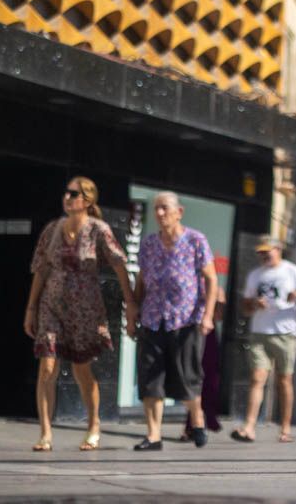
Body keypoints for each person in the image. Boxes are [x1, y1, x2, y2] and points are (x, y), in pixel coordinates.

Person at [23, 176, 136, 452]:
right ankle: (46, 433)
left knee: (81, 369)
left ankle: (93, 425)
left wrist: (130, 303)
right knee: (47, 366)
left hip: (85, 310)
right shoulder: (52, 229)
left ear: (87, 200)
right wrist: (31, 307)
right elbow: (41, 269)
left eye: (73, 193)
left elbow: (120, 264)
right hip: (52, 305)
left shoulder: (98, 229)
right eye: (65, 192)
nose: (67, 197)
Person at [131, 191, 218, 451]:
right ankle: (154, 436)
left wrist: (208, 315)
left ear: (178, 212)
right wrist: (133, 310)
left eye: (164, 208)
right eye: (156, 208)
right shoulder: (148, 244)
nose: (159, 213)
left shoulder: (195, 240)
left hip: (186, 320)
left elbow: (212, 279)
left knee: (187, 377)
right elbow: (141, 281)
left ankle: (198, 420)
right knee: (150, 380)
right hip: (152, 319)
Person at [233, 236, 296, 444]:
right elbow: (244, 306)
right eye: (260, 253)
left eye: (267, 252)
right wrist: (254, 303)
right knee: (257, 378)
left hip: (286, 334)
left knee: (284, 380)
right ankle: (249, 427)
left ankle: (286, 428)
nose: (263, 256)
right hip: (260, 331)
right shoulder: (255, 275)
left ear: (278, 250)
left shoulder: (292, 271)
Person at [183, 286, 226, 440]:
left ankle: (199, 422)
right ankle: (193, 424)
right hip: (186, 330)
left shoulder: (214, 286)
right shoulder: (187, 281)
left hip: (207, 333)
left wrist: (217, 301)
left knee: (209, 378)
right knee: (189, 378)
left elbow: (219, 316)